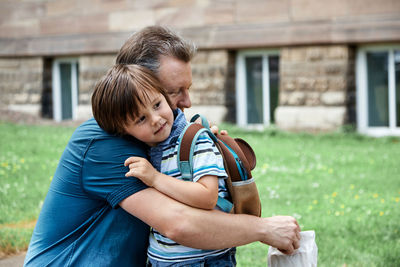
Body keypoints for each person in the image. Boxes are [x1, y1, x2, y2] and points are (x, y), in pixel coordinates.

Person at [24, 25, 300, 267]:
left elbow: (201, 193)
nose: (187, 101)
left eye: (186, 88)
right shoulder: (102, 144)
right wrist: (264, 229)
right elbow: (179, 224)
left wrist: (199, 147)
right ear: (137, 83)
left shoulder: (155, 136)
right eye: (174, 91)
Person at [94, 63, 236, 266]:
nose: (156, 119)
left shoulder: (194, 140)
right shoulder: (150, 150)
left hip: (203, 260)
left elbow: (207, 196)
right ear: (123, 131)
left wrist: (155, 178)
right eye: (141, 118)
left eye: (157, 105)